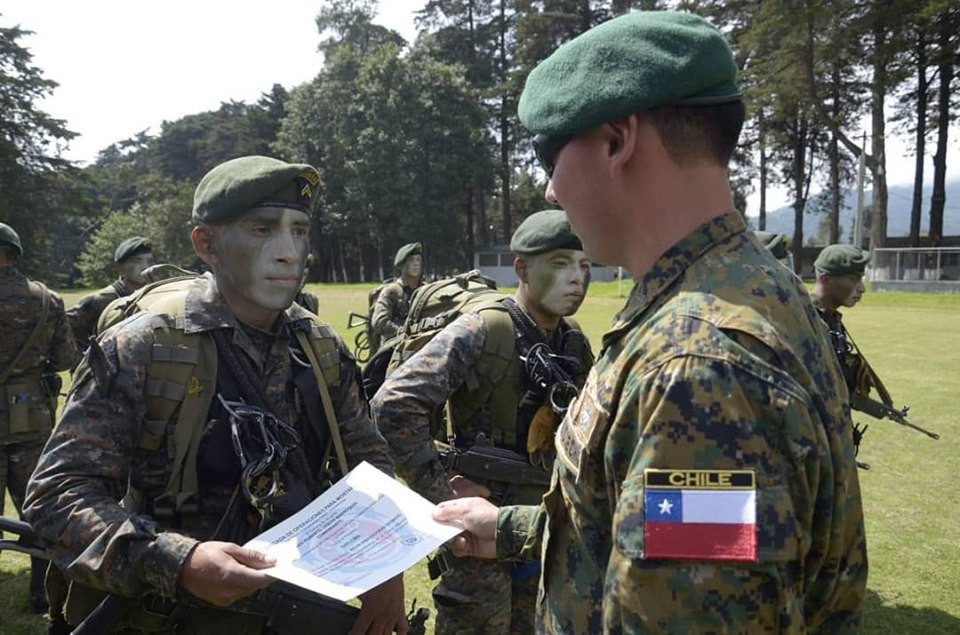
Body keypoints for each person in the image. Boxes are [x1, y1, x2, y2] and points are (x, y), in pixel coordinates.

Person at [433, 11, 867, 633]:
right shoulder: (745, 289)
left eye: (549, 155)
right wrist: (507, 528)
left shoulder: (696, 366)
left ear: (617, 141)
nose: (551, 192)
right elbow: (658, 524)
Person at [24, 156, 407, 634]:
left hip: (296, 610)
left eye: (300, 230)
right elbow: (56, 495)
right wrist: (181, 560)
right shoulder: (146, 347)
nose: (290, 252)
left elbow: (369, 470)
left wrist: (386, 566)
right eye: (262, 230)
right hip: (170, 616)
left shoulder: (320, 347)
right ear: (207, 244)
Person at [372, 210, 594, 634]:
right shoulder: (485, 328)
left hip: (539, 524)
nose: (577, 279)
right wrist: (439, 496)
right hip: (477, 530)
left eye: (585, 265)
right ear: (522, 269)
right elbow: (393, 406)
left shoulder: (572, 341)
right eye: (561, 264)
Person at [0, 222, 78, 613]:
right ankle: (40, 593)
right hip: (30, 417)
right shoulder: (46, 299)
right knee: (35, 508)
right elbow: (66, 360)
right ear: (15, 253)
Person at [66, 236, 155, 354]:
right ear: (121, 267)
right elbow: (67, 329)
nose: (145, 267)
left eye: (149, 261)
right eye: (137, 261)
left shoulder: (154, 297)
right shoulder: (99, 300)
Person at [370, 242, 423, 352]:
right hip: (394, 349)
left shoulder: (425, 290)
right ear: (401, 265)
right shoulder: (392, 291)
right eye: (411, 260)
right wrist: (404, 333)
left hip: (421, 347)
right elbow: (379, 321)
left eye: (418, 260)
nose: (415, 264)